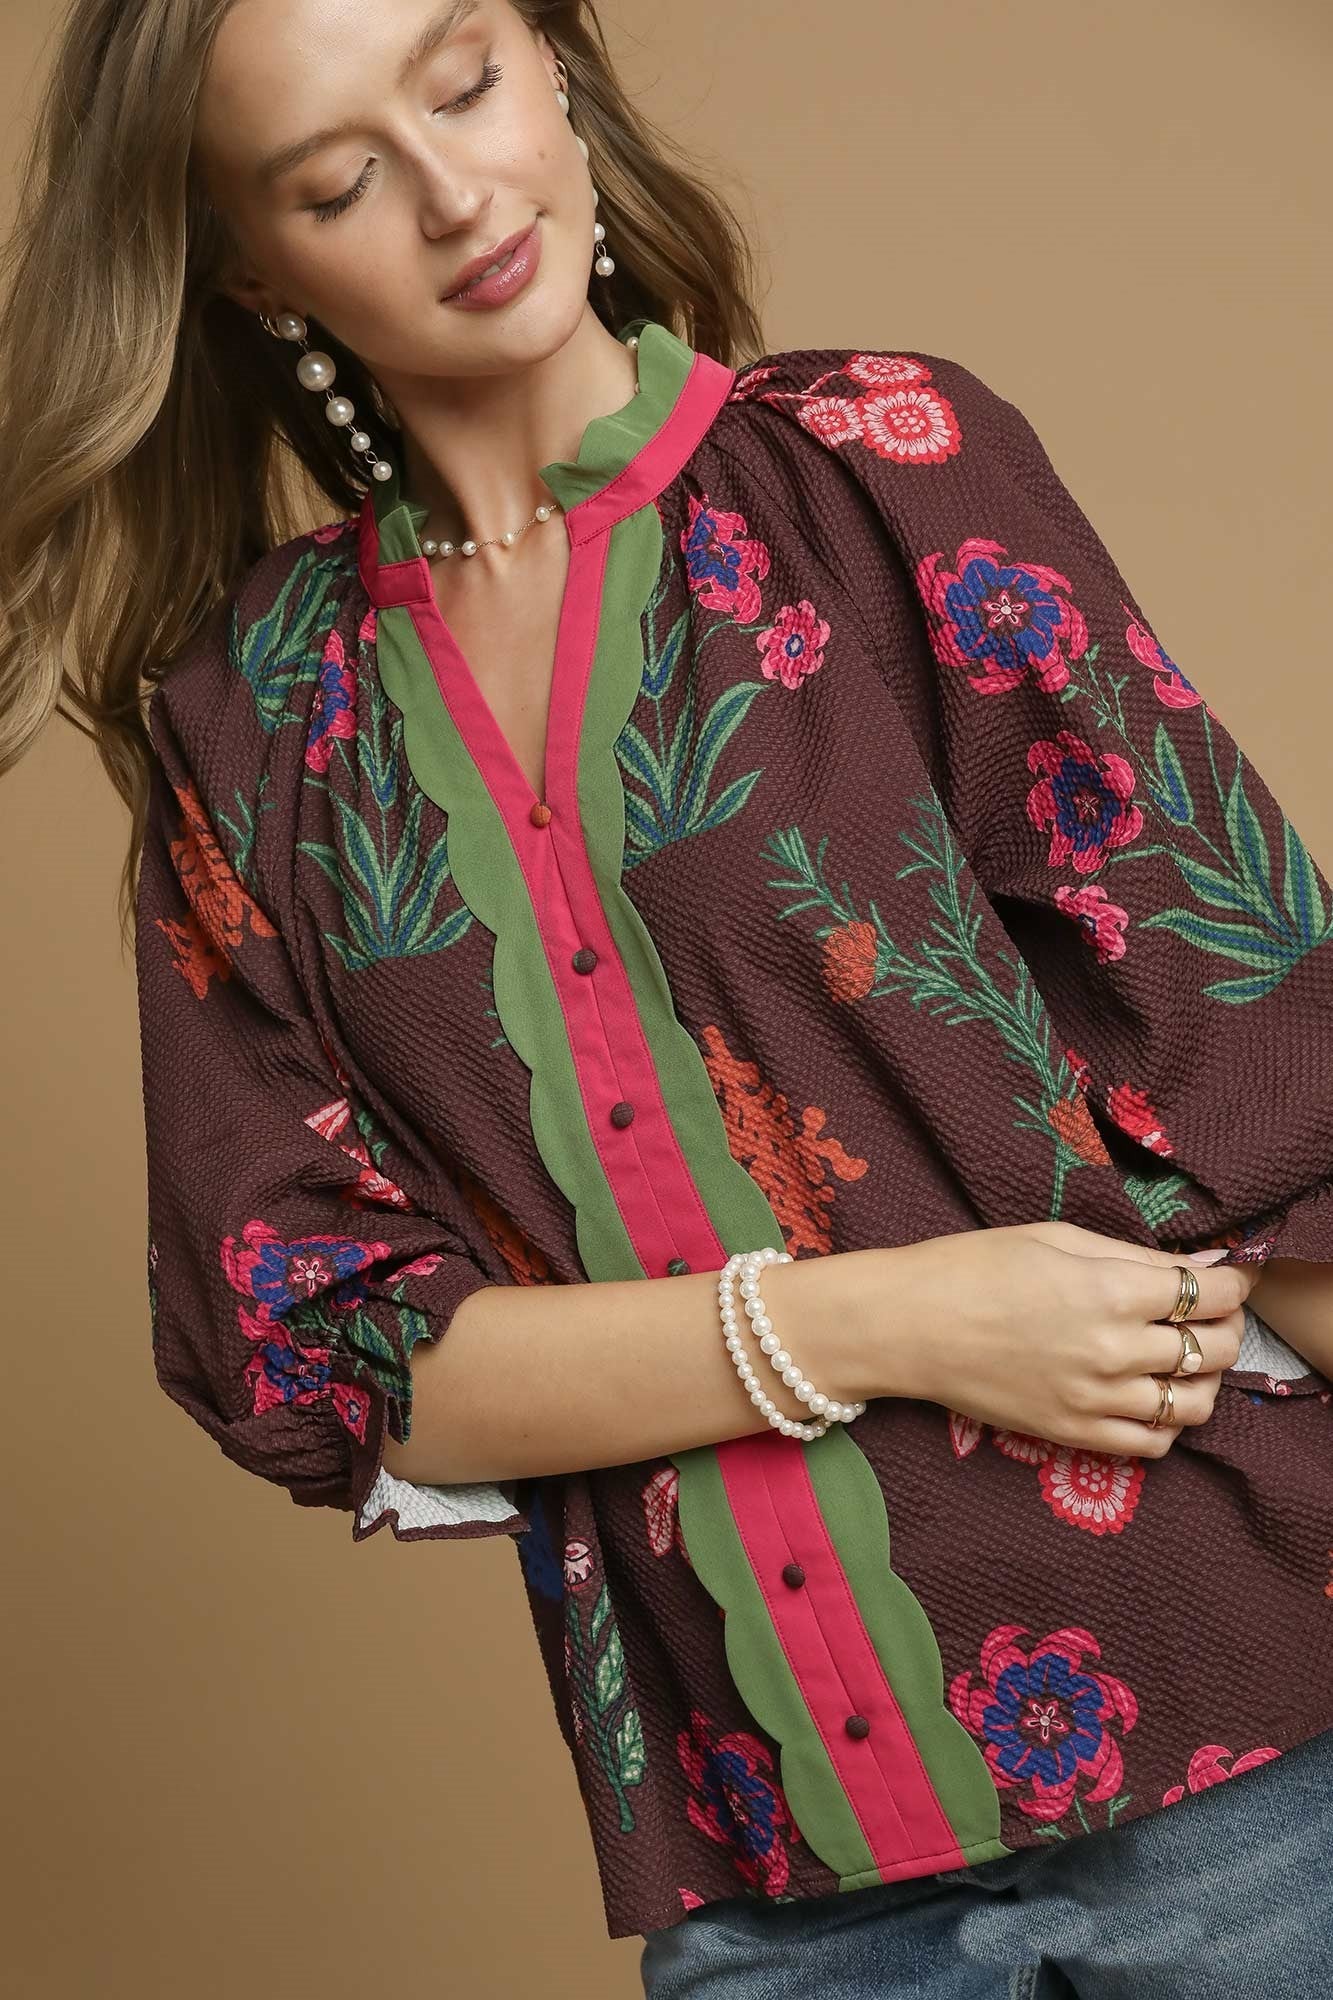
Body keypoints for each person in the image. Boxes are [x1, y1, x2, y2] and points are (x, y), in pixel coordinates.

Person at [3, 2, 1332, 1993]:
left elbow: (1266, 1071)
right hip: (763, 1864)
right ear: (252, 269)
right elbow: (327, 1349)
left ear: (552, 65)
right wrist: (894, 1316)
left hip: (1250, 1756)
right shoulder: (254, 719)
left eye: (463, 83)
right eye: (340, 178)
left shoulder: (881, 467)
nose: (454, 194)